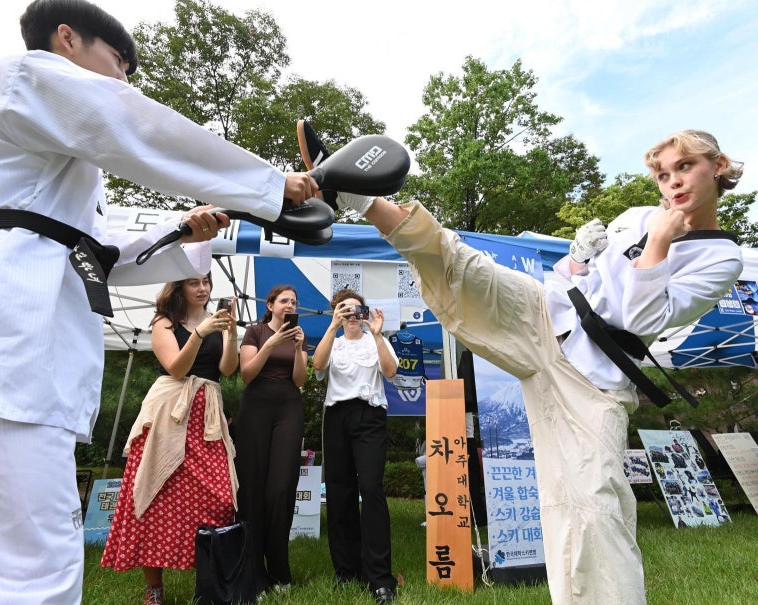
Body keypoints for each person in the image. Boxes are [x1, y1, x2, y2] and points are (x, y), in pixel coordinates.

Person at [0, 0, 319, 602]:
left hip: (12, 333)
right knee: (31, 566)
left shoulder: (53, 170)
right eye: (117, 61)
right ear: (66, 38)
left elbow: (102, 255)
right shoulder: (25, 75)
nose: (123, 80)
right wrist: (269, 186)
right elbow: (134, 126)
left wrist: (181, 233)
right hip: (5, 334)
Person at [299, 124, 743, 604]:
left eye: (685, 167)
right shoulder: (637, 216)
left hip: (594, 379)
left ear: (717, 166)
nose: (673, 182)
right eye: (664, 175)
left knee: (591, 506)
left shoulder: (721, 258)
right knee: (461, 265)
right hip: (547, 315)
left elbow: (639, 317)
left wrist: (659, 243)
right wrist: (578, 259)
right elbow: (574, 278)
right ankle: (351, 192)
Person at [100, 275, 238, 604]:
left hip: (206, 415)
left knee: (219, 499)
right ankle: (154, 589)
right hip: (168, 414)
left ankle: (209, 586)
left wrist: (231, 333)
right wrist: (200, 333)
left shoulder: (215, 321)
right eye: (194, 283)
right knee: (155, 497)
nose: (203, 289)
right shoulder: (164, 322)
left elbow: (227, 370)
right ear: (179, 288)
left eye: (206, 282)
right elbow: (176, 369)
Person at [312, 289, 399, 604]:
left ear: (364, 314)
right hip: (337, 416)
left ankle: (380, 577)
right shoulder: (332, 342)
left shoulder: (376, 339)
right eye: (344, 310)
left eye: (356, 310)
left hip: (369, 416)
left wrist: (377, 335)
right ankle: (346, 571)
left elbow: (390, 371)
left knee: (372, 488)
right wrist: (332, 326)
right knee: (340, 492)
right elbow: (317, 366)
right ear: (336, 313)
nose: (351, 315)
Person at [234, 284, 308, 593]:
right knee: (251, 488)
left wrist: (300, 350)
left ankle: (279, 570)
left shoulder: (299, 335)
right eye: (284, 301)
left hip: (288, 408)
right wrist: (271, 343)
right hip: (255, 409)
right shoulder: (255, 332)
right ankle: (253, 572)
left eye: (294, 302)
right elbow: (246, 373)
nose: (290, 305)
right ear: (270, 305)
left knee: (281, 488)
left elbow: (299, 379)